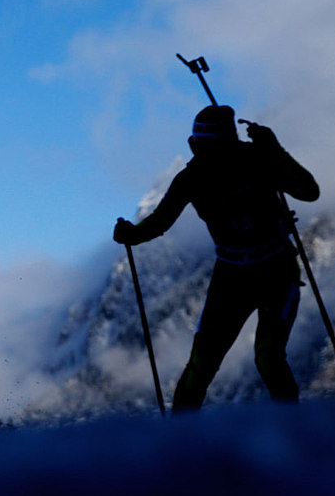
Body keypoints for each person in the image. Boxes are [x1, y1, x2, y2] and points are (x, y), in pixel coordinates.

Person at [113, 104, 320, 411]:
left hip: (247, 273)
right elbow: (308, 190)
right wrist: (275, 151)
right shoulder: (252, 159)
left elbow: (159, 222)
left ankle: (184, 437)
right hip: (266, 268)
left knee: (213, 362)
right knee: (263, 356)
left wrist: (130, 234)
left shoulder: (208, 172)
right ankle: (289, 427)